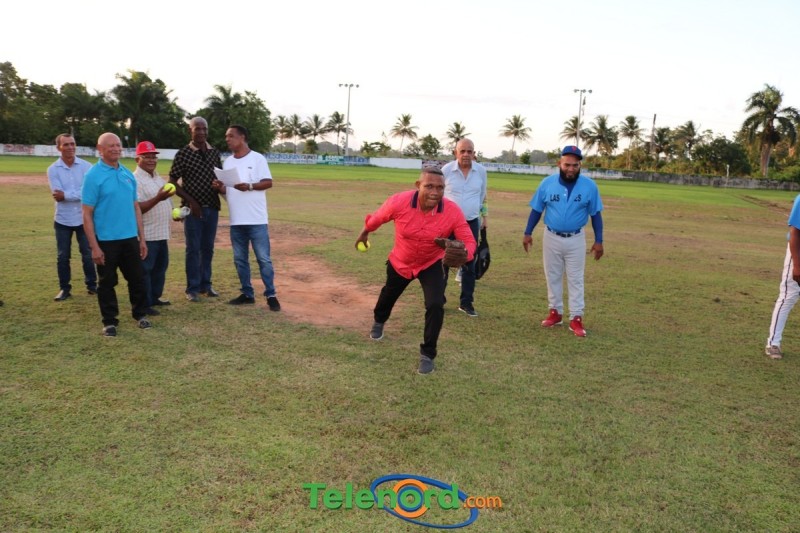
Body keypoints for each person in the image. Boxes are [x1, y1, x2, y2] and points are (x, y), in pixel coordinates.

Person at [356, 168, 476, 374]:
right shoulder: (398, 202)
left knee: (436, 304)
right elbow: (377, 218)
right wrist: (365, 232)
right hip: (401, 260)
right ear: (418, 185)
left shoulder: (452, 211)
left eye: (440, 188)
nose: (435, 192)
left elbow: (469, 240)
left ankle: (427, 354)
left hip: (432, 262)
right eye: (429, 186)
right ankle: (379, 321)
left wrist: (466, 254)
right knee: (388, 295)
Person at [522, 145, 604, 337]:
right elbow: (537, 209)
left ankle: (576, 317)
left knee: (576, 278)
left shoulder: (590, 186)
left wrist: (599, 240)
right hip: (551, 236)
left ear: (580, 165)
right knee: (553, 275)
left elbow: (596, 215)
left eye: (575, 165)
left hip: (576, 238)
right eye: (567, 164)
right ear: (559, 163)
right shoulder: (547, 183)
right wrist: (528, 232)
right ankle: (555, 312)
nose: (571, 169)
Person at [82, 133, 150, 337]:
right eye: (110, 145)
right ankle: (110, 321)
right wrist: (94, 246)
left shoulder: (127, 174)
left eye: (118, 145)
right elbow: (86, 213)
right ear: (100, 149)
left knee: (137, 278)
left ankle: (140, 314)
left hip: (129, 238)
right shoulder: (93, 176)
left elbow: (135, 207)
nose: (115, 149)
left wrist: (142, 239)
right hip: (106, 240)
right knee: (107, 282)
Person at [212, 125, 281, 311]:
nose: (227, 139)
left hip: (256, 220)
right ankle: (247, 293)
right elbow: (228, 191)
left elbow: (268, 182)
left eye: (231, 136)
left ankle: (271, 295)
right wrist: (220, 188)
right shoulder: (228, 162)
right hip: (237, 220)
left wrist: (249, 186)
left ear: (242, 137)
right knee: (240, 259)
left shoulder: (257, 158)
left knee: (263, 259)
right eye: (226, 136)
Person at [169, 117, 223, 302]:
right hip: (193, 211)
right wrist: (191, 202)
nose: (201, 132)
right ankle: (192, 288)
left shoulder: (214, 152)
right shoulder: (183, 154)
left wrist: (219, 185)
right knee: (193, 249)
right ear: (190, 131)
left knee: (208, 249)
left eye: (204, 129)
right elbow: (172, 182)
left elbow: (220, 177)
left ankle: (205, 285)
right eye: (197, 129)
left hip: (212, 207)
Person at [47, 133, 97, 301]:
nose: (70, 147)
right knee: (63, 256)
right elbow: (57, 195)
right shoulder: (53, 169)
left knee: (88, 254)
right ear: (58, 148)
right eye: (66, 144)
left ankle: (92, 286)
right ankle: (64, 289)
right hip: (63, 219)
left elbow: (88, 192)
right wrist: (75, 194)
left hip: (84, 218)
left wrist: (67, 195)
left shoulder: (87, 166)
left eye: (72, 144)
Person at [442, 138, 487, 317]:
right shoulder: (446, 170)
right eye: (462, 151)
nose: (466, 154)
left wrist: (482, 215)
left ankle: (466, 303)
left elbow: (482, 195)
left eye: (470, 151)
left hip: (470, 223)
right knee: (443, 260)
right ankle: (438, 299)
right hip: (448, 223)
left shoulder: (481, 171)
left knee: (469, 262)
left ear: (474, 153)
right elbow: (438, 195)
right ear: (456, 153)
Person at [133, 141, 175, 314]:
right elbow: (137, 208)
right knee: (145, 271)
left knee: (160, 268)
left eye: (153, 156)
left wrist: (174, 213)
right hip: (147, 235)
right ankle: (145, 303)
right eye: (147, 157)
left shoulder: (157, 177)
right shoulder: (135, 180)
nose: (151, 160)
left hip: (161, 233)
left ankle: (154, 297)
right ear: (137, 159)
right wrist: (158, 198)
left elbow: (166, 201)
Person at [765, 193, 800, 360]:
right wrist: (797, 266)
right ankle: (773, 343)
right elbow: (795, 233)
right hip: (798, 253)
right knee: (788, 297)